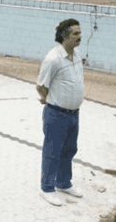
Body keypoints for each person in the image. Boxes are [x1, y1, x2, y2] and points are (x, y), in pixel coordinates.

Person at [36, 18, 84, 206]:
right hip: (57, 113)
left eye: (80, 33)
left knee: (70, 149)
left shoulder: (77, 54)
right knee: (52, 152)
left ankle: (63, 182)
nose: (80, 37)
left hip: (74, 113)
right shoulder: (53, 58)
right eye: (76, 34)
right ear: (64, 36)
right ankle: (47, 188)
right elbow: (41, 86)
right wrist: (48, 100)